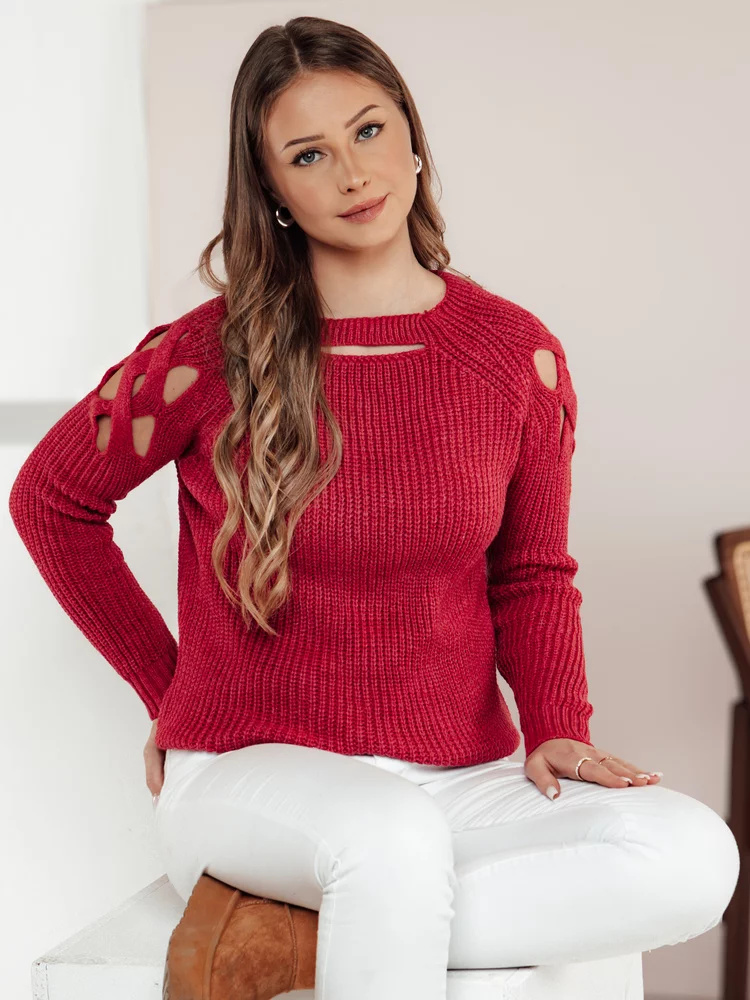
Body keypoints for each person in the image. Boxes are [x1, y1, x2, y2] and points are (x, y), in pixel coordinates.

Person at [8, 14, 739, 1000]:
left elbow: (531, 572)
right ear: (271, 187)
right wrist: (167, 690)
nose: (353, 173)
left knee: (693, 854)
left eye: (368, 130)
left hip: (460, 779)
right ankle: (376, 903)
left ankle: (327, 932)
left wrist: (556, 724)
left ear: (411, 135)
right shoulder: (208, 354)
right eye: (308, 154)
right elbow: (51, 500)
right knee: (384, 839)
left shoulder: (514, 355)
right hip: (249, 773)